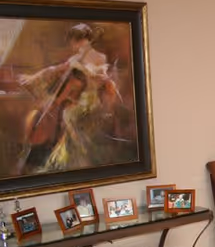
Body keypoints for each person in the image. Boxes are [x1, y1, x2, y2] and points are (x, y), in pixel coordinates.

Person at [17, 23, 132, 174]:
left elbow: (100, 79)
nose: (73, 46)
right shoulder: (75, 58)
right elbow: (57, 70)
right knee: (66, 115)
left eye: (73, 41)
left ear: (80, 40)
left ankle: (78, 157)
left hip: (91, 101)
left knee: (69, 115)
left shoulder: (99, 57)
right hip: (77, 99)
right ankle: (69, 160)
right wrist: (35, 78)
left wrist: (85, 68)